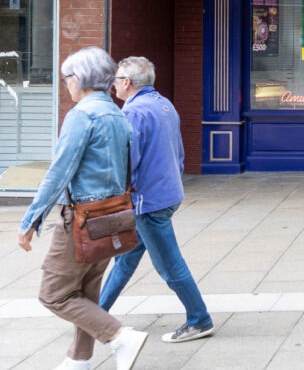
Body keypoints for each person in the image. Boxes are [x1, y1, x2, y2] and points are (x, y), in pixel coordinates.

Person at [17, 46, 148, 370]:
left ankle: (119, 336)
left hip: (80, 219)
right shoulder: (118, 114)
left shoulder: (83, 115)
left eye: (66, 79)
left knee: (55, 294)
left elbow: (59, 171)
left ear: (82, 78)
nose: (66, 85)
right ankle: (80, 360)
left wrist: (31, 219)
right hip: (111, 216)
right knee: (86, 292)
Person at [98, 56, 215, 343]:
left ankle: (199, 320)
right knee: (125, 259)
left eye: (115, 80)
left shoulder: (134, 112)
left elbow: (128, 160)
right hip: (166, 193)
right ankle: (95, 316)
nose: (113, 86)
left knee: (169, 266)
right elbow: (177, 150)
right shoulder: (164, 104)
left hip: (148, 202)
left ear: (127, 82)